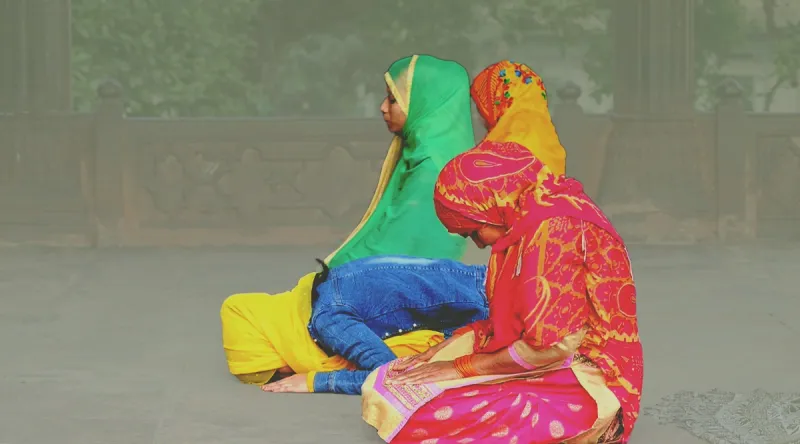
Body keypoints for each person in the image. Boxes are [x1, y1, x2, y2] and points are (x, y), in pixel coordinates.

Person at [361, 61, 643, 443]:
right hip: (540, 352)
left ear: (492, 206)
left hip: (586, 372)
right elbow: (510, 323)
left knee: (425, 409)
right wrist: (443, 354)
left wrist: (459, 367)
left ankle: (595, 423)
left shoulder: (554, 230)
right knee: (393, 379)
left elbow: (553, 346)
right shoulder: (522, 218)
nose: (478, 244)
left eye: (473, 231)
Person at [219, 55, 479, 390]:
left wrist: (315, 379)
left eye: (393, 99)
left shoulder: (432, 169)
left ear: (424, 104)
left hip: (430, 301)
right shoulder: (424, 154)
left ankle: (307, 348)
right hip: (415, 289)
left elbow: (393, 373)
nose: (382, 108)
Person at [221, 255, 488, 395]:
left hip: (496, 306)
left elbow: (392, 377)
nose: (285, 373)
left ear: (274, 342)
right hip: (492, 284)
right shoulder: (324, 290)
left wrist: (316, 381)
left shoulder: (328, 320)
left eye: (275, 369)